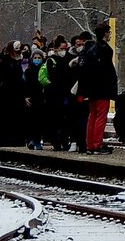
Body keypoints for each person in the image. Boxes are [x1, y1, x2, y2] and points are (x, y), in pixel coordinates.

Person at [77, 22, 118, 154]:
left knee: (92, 116)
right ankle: (97, 144)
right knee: (101, 116)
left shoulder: (90, 49)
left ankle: (90, 144)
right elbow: (107, 71)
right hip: (103, 88)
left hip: (92, 88)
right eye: (109, 32)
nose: (110, 35)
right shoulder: (104, 49)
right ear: (105, 33)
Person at [0, 40, 28, 147]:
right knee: (5, 121)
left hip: (18, 97)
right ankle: (4, 142)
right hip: (5, 96)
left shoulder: (22, 61)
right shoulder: (4, 60)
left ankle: (18, 142)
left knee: (18, 121)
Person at [42, 36, 73, 150]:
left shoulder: (66, 60)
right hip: (54, 96)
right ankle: (56, 142)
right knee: (55, 120)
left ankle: (64, 142)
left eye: (65, 48)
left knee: (64, 121)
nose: (64, 51)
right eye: (62, 48)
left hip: (64, 95)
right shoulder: (51, 61)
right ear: (55, 49)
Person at [24, 45, 48, 150]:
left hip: (42, 99)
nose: (37, 60)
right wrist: (25, 96)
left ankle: (37, 140)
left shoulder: (45, 70)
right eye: (35, 58)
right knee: (31, 121)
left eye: (39, 58)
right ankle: (31, 140)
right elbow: (24, 85)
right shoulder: (28, 71)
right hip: (31, 99)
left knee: (40, 121)